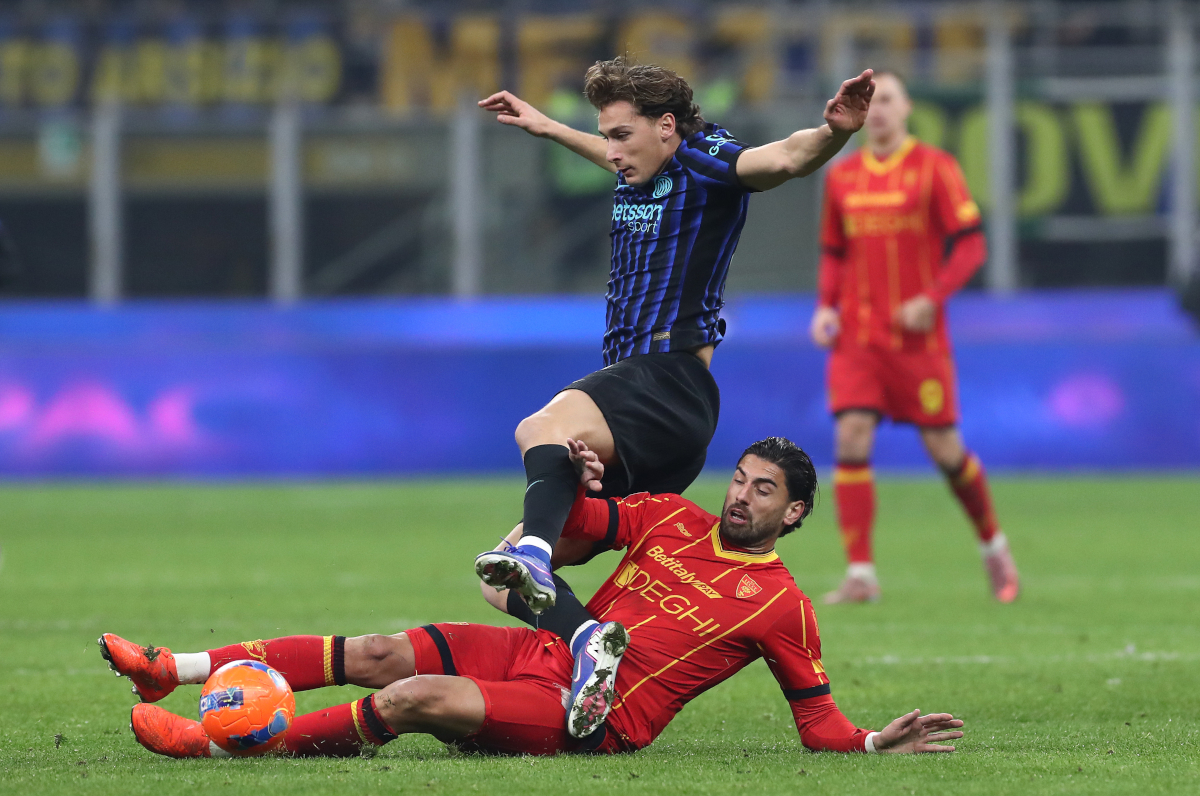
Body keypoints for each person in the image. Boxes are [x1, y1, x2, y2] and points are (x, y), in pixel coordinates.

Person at [102, 438, 964, 760]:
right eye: (739, 480)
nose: (741, 497)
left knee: (409, 698)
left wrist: (872, 745)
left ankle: (221, 745)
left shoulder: (784, 607)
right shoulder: (669, 516)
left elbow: (816, 722)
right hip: (544, 649)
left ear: (796, 513)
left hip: (595, 717)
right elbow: (572, 509)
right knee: (375, 652)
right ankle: (170, 670)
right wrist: (564, 474)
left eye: (763, 491)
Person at [468, 57, 875, 729]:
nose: (613, 150)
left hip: (667, 379)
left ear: (666, 127)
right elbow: (613, 152)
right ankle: (588, 644)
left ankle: (539, 555)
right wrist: (547, 128)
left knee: (536, 430)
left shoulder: (708, 161)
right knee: (497, 577)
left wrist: (832, 135)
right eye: (607, 135)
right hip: (658, 426)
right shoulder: (639, 164)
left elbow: (781, 161)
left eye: (622, 135)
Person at [810, 71, 1019, 605]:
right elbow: (834, 251)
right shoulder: (843, 176)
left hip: (916, 341)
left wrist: (933, 297)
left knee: (945, 449)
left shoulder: (935, 168)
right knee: (851, 438)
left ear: (906, 110)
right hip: (857, 336)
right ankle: (860, 574)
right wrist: (825, 310)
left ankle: (993, 545)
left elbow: (970, 245)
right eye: (871, 102)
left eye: (889, 100)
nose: (878, 110)